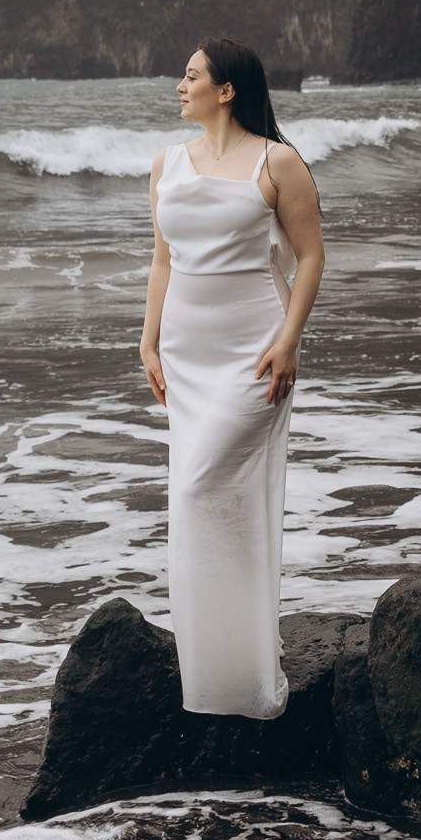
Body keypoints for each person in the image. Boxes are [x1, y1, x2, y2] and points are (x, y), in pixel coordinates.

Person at [141, 36, 325, 715]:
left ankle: (245, 674)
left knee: (201, 489)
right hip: (187, 357)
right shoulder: (166, 164)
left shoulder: (278, 163)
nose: (179, 85)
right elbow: (163, 259)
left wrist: (289, 339)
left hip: (254, 348)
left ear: (227, 90)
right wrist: (148, 341)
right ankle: (221, 675)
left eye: (191, 76)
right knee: (208, 509)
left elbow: (309, 258)